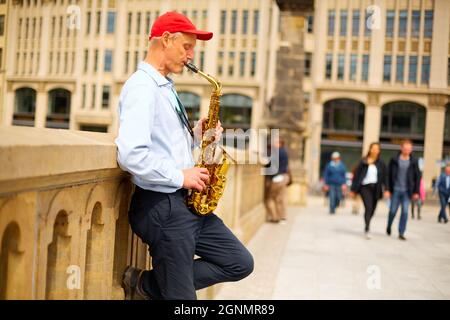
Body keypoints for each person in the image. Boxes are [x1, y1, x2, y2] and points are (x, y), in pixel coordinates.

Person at [115, 11, 253, 300]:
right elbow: (131, 154)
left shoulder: (165, 86)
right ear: (166, 40)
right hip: (162, 207)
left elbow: (163, 142)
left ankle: (146, 284)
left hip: (186, 204)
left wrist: (196, 135)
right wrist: (180, 175)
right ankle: (168, 287)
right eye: (186, 47)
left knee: (239, 262)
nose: (191, 55)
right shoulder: (143, 87)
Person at [385, 140, 421, 240]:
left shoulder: (414, 161)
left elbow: (418, 177)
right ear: (401, 148)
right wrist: (387, 189)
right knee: (392, 211)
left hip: (407, 191)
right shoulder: (394, 159)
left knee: (405, 212)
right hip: (395, 190)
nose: (407, 150)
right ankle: (389, 225)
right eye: (405, 148)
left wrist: (416, 192)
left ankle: (401, 232)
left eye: (409, 149)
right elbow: (388, 175)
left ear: (411, 149)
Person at [350, 142, 387, 239]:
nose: (375, 150)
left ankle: (368, 222)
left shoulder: (381, 163)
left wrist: (387, 189)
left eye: (377, 149)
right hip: (365, 187)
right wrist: (353, 190)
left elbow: (385, 177)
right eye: (373, 148)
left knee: (373, 210)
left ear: (379, 151)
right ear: (370, 149)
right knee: (368, 207)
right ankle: (367, 228)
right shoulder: (363, 162)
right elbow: (357, 176)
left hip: (376, 188)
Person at [264, 137, 290, 224]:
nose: (272, 144)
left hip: (277, 178)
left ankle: (275, 217)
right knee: (280, 198)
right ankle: (282, 217)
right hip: (284, 177)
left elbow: (268, 162)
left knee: (269, 198)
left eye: (275, 142)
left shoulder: (277, 152)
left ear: (279, 143)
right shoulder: (284, 151)